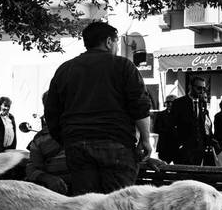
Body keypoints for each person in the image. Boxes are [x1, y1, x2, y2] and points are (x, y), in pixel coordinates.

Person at [45, 21, 152, 195]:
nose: (117, 47)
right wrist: (145, 140)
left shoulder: (65, 70)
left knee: (87, 209)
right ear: (109, 42)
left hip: (77, 145)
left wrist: (67, 140)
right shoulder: (123, 66)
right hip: (116, 142)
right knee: (117, 207)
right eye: (116, 42)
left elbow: (51, 112)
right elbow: (140, 106)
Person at [25, 92, 70, 194]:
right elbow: (32, 168)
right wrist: (48, 179)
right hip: (56, 195)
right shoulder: (39, 138)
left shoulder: (79, 130)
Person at [171, 75, 216, 165]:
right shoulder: (179, 103)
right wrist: (179, 145)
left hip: (199, 148)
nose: (202, 91)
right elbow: (172, 125)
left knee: (196, 174)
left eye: (204, 89)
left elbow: (203, 125)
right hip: (183, 148)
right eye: (199, 88)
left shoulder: (202, 103)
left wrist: (206, 143)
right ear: (190, 87)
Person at [153, 94, 178, 163]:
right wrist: (171, 130)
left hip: (176, 147)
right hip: (164, 147)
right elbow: (156, 129)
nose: (170, 104)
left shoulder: (180, 115)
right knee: (163, 167)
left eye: (172, 102)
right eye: (168, 102)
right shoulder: (160, 115)